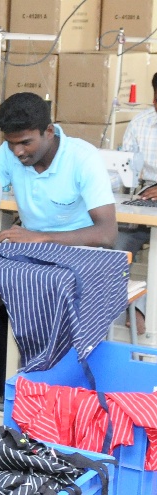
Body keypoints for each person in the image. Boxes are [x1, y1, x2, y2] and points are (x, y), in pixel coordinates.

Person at [0, 92, 117, 409]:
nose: (18, 151)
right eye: (11, 144)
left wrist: (42, 237)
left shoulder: (83, 158)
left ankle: (40, 407)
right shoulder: (9, 154)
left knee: (43, 303)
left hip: (79, 260)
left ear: (48, 131)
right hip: (27, 256)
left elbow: (106, 233)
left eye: (25, 143)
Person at [113, 72, 157, 336]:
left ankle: (141, 307)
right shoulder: (141, 124)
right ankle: (116, 314)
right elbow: (122, 171)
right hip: (145, 196)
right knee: (115, 245)